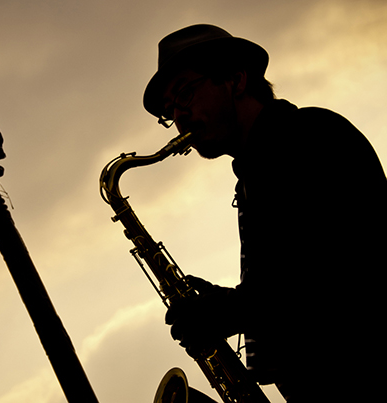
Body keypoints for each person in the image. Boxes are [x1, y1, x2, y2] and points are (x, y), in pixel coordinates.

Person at [142, 24, 386, 402]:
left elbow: (348, 274)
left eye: (185, 93)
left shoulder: (311, 136)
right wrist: (230, 303)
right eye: (170, 108)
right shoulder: (252, 177)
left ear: (236, 80)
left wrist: (233, 309)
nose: (178, 115)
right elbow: (291, 285)